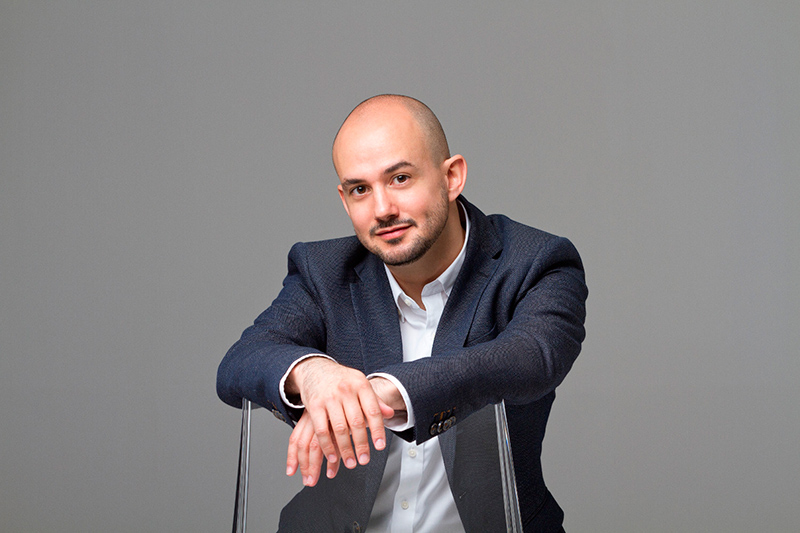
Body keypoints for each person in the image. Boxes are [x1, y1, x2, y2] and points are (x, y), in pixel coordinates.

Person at [217, 94, 587, 532]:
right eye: (360, 189)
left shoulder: (536, 262)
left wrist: (385, 392)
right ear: (344, 200)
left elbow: (531, 356)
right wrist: (314, 375)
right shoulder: (323, 271)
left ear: (451, 177)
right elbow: (241, 362)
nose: (382, 210)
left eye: (400, 178)